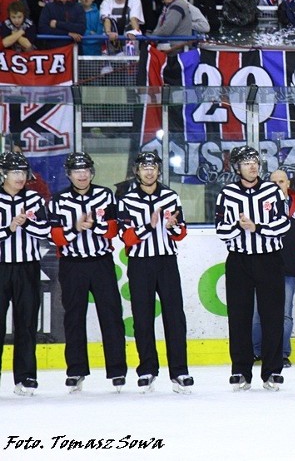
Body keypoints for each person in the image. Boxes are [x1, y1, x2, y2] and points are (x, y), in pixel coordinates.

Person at [48, 153, 127, 393]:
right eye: (76, 171)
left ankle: (117, 370)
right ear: (69, 174)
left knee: (111, 315)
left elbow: (113, 231)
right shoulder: (58, 200)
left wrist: (95, 226)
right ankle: (76, 370)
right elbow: (56, 236)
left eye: (85, 170)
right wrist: (77, 228)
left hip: (101, 263)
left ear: (91, 172)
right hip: (72, 266)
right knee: (73, 318)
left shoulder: (105, 195)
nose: (81, 175)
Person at [215, 146, 291, 391]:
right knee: (239, 317)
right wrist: (241, 228)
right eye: (246, 162)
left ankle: (272, 371)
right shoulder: (226, 194)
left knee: (273, 316)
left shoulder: (272, 191)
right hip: (239, 261)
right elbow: (221, 229)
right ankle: (240, 370)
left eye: (255, 161)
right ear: (237, 167)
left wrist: (256, 227)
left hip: (269, 259)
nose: (252, 166)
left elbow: (284, 224)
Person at [117, 152, 194, 393]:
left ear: (159, 170)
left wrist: (173, 226)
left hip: (167, 262)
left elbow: (181, 234)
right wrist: (149, 226)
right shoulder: (126, 200)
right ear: (136, 171)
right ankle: (147, 369)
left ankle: (180, 370)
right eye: (144, 167)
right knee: (142, 317)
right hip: (140, 264)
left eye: (153, 167)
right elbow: (126, 237)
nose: (149, 171)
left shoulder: (171, 195)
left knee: (175, 318)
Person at [251, 170, 295, 368]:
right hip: (261, 267)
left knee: (285, 313)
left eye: (281, 181)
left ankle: (283, 353)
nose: (278, 185)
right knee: (257, 313)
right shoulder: (259, 207)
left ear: (288, 183)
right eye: (274, 182)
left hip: (287, 268)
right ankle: (256, 351)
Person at [0, 151, 49, 396]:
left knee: (27, 323)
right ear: (3, 174)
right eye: (15, 172)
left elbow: (46, 231)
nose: (20, 177)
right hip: (1, 268)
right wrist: (9, 228)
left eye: (23, 172)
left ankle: (27, 376)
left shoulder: (34, 199)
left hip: (28, 268)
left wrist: (27, 223)